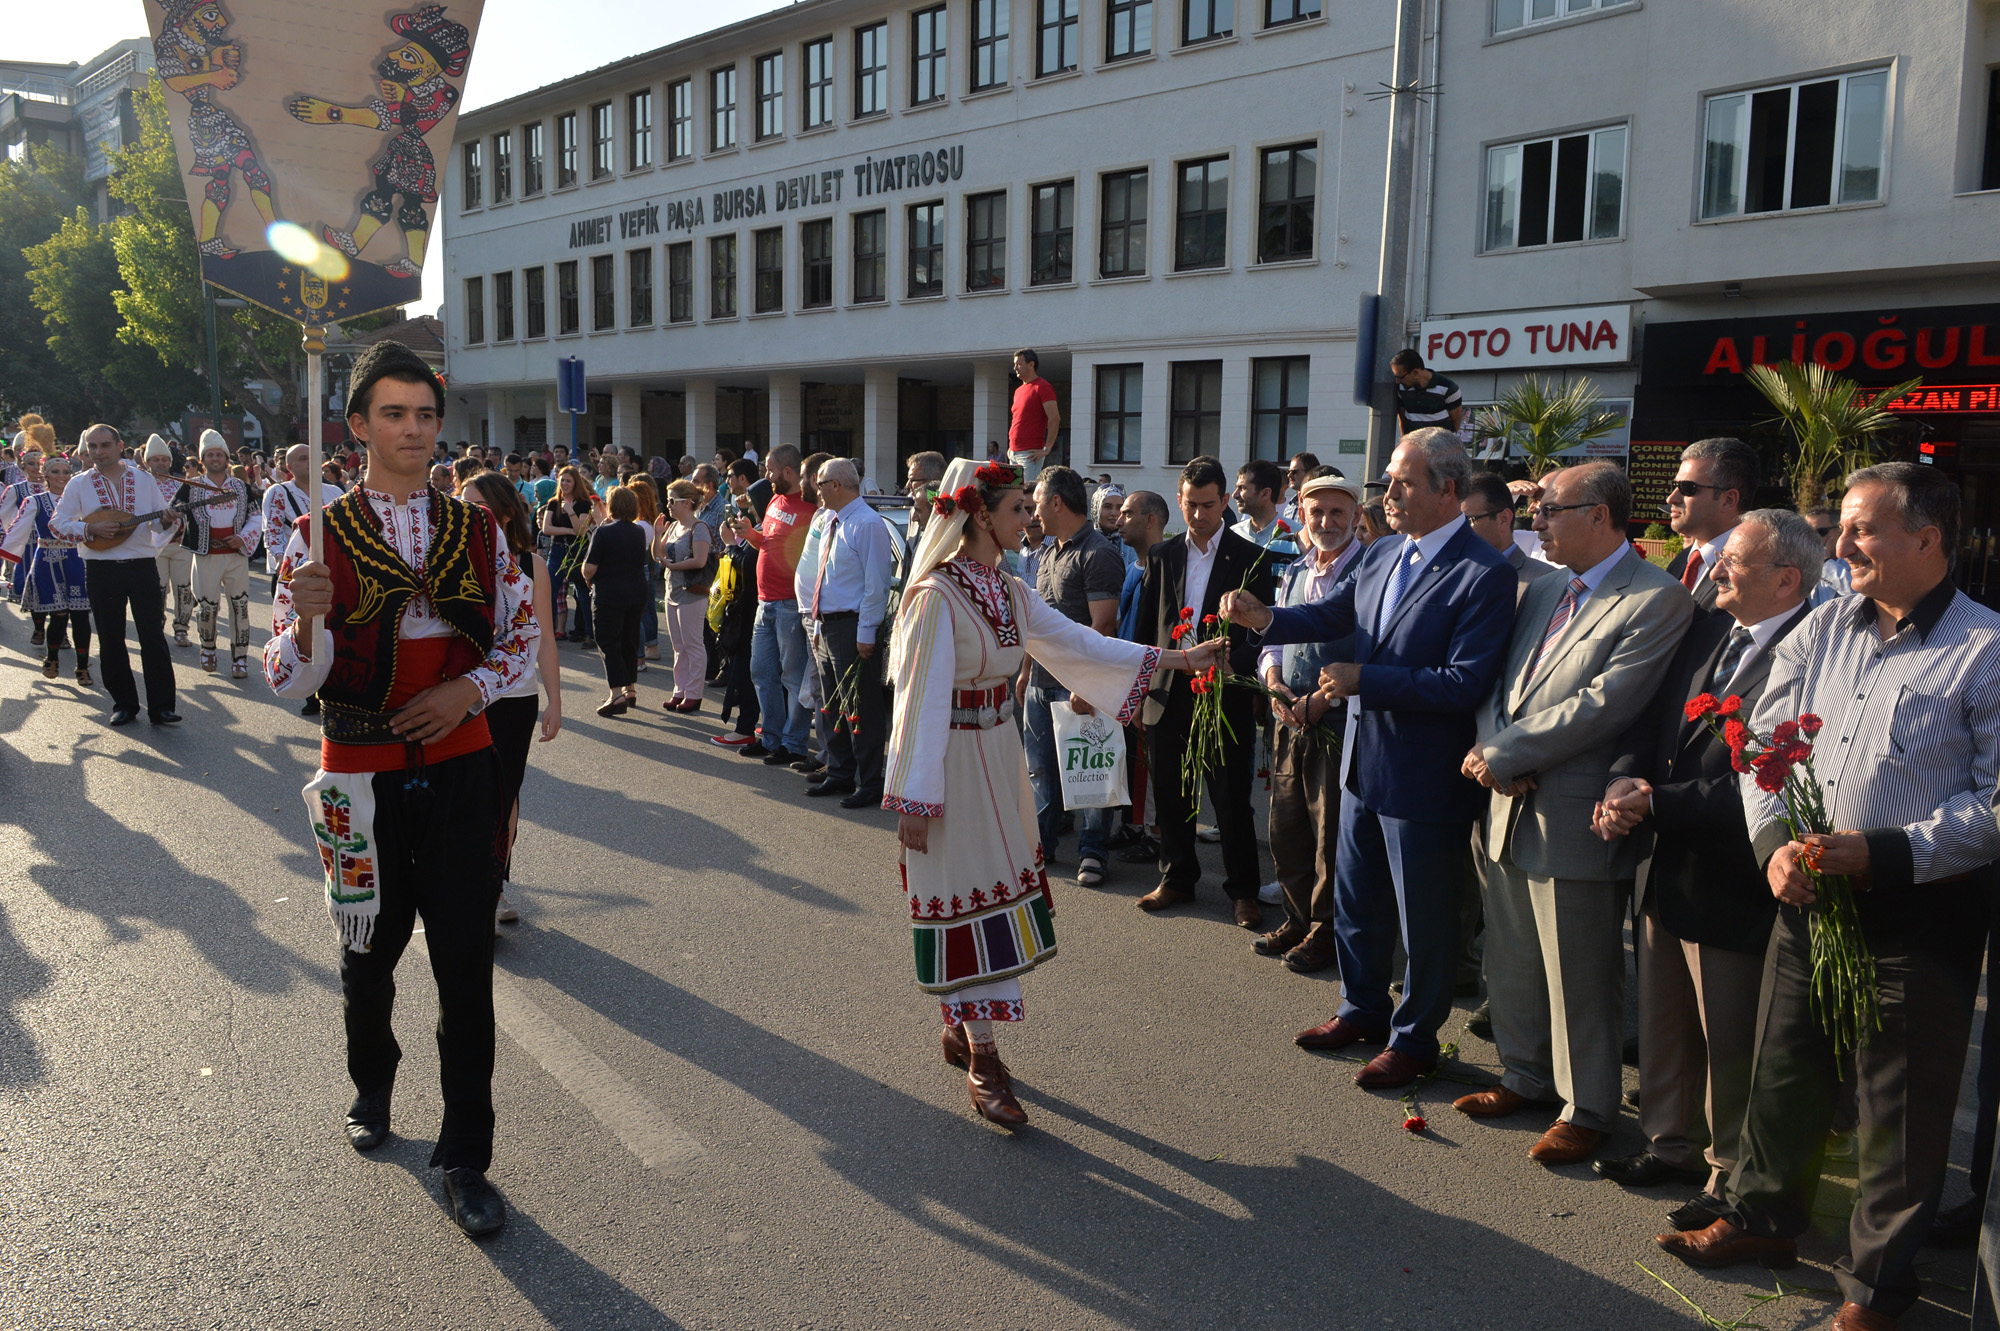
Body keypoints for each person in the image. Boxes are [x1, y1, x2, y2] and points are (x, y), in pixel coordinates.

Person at [1655, 464, 2000, 1331]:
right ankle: (1764, 1217)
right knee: (1786, 1066)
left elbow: (1996, 804)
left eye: (1861, 529)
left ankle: (1875, 1285)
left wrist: (1885, 853)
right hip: (1807, 890)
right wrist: (1773, 845)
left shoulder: (1985, 647)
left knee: (1898, 1105)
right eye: (1843, 527)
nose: (1840, 544)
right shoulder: (1823, 626)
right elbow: (1762, 742)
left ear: (1928, 538)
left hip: (1919, 910)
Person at [263, 339, 536, 1238]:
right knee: (366, 958)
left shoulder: (481, 530)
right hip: (356, 776)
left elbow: (521, 640)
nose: (414, 429)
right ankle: (372, 1080)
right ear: (358, 425)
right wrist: (307, 626)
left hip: (461, 766)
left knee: (465, 965)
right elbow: (286, 679)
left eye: (425, 414)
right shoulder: (314, 536)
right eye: (394, 413)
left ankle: (465, 1155)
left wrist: (469, 690)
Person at [885, 457, 1224, 1126]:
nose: (1030, 517)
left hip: (998, 756)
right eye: (1017, 508)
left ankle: (959, 1026)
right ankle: (985, 1057)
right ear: (980, 516)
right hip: (951, 767)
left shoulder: (1010, 590)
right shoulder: (935, 596)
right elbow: (917, 701)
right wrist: (915, 800)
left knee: (992, 893)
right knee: (965, 897)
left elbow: (1079, 643)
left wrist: (1176, 658)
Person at [1219, 429, 1516, 1088]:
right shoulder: (1383, 553)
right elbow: (1332, 615)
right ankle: (1361, 1010)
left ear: (1448, 488)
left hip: (1425, 777)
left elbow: (1463, 683)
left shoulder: (1484, 573)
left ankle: (1415, 1039)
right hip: (1362, 763)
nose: (1388, 494)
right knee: (1356, 901)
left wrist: (1365, 681)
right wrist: (1265, 618)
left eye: (1402, 483)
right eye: (1387, 480)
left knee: (1424, 920)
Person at [1458, 462, 1696, 1164]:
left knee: (1580, 972)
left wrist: (1505, 752)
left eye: (1549, 509)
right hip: (1507, 797)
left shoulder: (1656, 597)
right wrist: (1494, 748)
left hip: (1574, 808)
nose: (1535, 521)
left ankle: (1587, 1105)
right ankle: (1525, 1074)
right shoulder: (1543, 586)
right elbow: (1500, 681)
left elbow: (1608, 703)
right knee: (1513, 955)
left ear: (1598, 514)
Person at [1590, 509, 1815, 1218]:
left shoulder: (1811, 653)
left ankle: (1726, 1175)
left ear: (1786, 579)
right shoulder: (1711, 627)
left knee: (1729, 1037)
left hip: (1733, 878)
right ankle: (1669, 1144)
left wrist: (1653, 802)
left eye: (1734, 561)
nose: (1715, 567)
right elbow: (1652, 718)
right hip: (1664, 860)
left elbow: (1772, 779)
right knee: (1664, 1018)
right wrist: (1622, 783)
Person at [1134, 456, 1280, 928]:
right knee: (1172, 793)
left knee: (1231, 797)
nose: (1198, 515)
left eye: (1208, 505)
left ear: (1225, 502)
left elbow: (1263, 632)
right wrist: (1138, 689)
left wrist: (1236, 666)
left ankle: (1243, 890)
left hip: (1223, 693)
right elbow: (1145, 628)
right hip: (1168, 690)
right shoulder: (1162, 555)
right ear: (1178, 501)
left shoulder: (1251, 557)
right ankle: (1176, 877)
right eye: (1190, 505)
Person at [1252, 470, 1365, 972]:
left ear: (1356, 516)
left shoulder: (1367, 570)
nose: (1326, 521)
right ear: (1301, 514)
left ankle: (1326, 931)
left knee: (1328, 833)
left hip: (1335, 721)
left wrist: (1322, 700)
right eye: (1316, 511)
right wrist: (1273, 681)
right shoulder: (1295, 568)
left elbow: (1371, 649)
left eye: (1337, 511)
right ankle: (1297, 919)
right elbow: (1273, 639)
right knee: (1286, 826)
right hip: (1288, 717)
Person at [1017, 466, 1126, 887]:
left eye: (1037, 504)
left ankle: (1093, 852)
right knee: (1041, 770)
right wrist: (1026, 671)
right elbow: (1039, 624)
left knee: (1091, 773)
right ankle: (1040, 845)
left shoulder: (1099, 553)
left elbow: (1104, 627)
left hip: (1079, 685)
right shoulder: (1048, 552)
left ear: (1057, 502)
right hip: (1041, 683)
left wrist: (1086, 684)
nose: (1032, 514)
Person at [462, 472, 562, 931]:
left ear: (504, 512)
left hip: (515, 697)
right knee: (466, 795)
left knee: (505, 795)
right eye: (463, 504)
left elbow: (544, 638)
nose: (468, 513)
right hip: (462, 697)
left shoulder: (531, 564)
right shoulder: (449, 558)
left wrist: (554, 701)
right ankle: (465, 883)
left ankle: (495, 886)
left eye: (479, 505)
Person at [53, 424, 180, 726]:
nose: (98, 452)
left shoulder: (144, 479)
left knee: (152, 636)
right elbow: (57, 524)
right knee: (111, 637)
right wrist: (90, 528)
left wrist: (167, 519)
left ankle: (161, 707)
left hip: (141, 565)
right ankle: (124, 704)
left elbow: (158, 522)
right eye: (93, 446)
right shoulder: (79, 483)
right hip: (101, 568)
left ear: (119, 446)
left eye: (105, 445)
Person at [798, 457, 894, 807]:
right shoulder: (830, 519)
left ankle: (869, 781)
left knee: (861, 707)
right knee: (832, 705)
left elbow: (876, 585)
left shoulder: (867, 523)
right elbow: (825, 576)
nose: (817, 490)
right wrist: (816, 621)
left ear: (836, 485)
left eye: (820, 483)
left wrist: (866, 631)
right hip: (827, 624)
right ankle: (839, 772)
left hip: (852, 626)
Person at [738, 444, 818, 768]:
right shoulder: (774, 500)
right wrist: (750, 534)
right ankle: (771, 738)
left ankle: (794, 744)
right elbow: (769, 542)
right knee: (761, 671)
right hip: (765, 601)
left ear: (788, 471)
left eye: (770, 470)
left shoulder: (810, 508)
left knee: (792, 677)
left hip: (789, 604)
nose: (766, 476)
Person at [1112, 490, 1171, 866]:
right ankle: (1135, 826)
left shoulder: (1168, 566)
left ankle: (1155, 834)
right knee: (1132, 758)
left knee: (1150, 762)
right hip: (1126, 676)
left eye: (1127, 513)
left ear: (1150, 520)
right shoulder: (1133, 566)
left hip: (1151, 681)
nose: (1119, 521)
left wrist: (1147, 684)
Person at [1, 452, 92, 684]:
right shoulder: (35, 501)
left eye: (66, 472)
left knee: (81, 615)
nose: (62, 476)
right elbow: (18, 527)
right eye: (55, 472)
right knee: (58, 615)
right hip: (47, 560)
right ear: (46, 475)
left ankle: (82, 667)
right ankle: (52, 658)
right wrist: (8, 551)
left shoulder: (81, 500)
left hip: (76, 560)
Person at [177, 430, 262, 679]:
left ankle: (240, 658)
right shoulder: (191, 486)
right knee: (207, 606)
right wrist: (170, 516)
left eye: (219, 454)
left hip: (235, 554)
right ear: (203, 460)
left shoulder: (241, 487)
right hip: (206, 555)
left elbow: (256, 516)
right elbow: (173, 511)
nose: (215, 458)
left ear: (226, 458)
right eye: (210, 455)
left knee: (240, 606)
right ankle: (208, 649)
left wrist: (243, 537)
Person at [1665, 437, 1759, 612]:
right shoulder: (1683, 560)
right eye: (1674, 486)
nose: (1672, 498)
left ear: (1728, 499)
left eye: (1687, 488)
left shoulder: (1752, 572)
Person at [582, 485, 651, 717]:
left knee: (608, 642)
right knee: (629, 640)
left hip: (609, 593)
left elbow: (589, 568)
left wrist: (586, 576)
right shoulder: (638, 531)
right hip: (636, 592)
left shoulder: (604, 531)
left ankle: (616, 694)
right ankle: (629, 688)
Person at [653, 478, 715, 712]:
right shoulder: (672, 526)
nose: (668, 505)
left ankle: (694, 694)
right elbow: (657, 556)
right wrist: (657, 534)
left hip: (692, 593)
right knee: (679, 645)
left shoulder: (699, 528)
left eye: (672, 501)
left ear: (687, 503)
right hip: (673, 591)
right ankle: (679, 690)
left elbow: (699, 560)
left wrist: (673, 566)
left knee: (693, 644)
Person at [138, 436, 196, 643]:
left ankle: (182, 629)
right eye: (156, 460)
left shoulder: (182, 484)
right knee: (158, 589)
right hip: (153, 546)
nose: (160, 463)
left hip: (181, 544)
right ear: (147, 462)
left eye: (164, 459)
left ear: (170, 462)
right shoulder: (140, 485)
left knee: (184, 588)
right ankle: (158, 628)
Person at [541, 466, 601, 642]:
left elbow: (581, 531)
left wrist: (571, 511)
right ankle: (549, 632)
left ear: (576, 483)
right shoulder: (553, 503)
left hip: (576, 552)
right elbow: (546, 528)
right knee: (550, 590)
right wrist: (568, 530)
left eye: (568, 481)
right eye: (562, 480)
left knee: (582, 594)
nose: (564, 484)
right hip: (557, 549)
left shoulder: (584, 503)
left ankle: (591, 634)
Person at [1232, 459, 1301, 565]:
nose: (1235, 495)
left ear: (1265, 493)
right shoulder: (1233, 535)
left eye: (1242, 488)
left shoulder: (1297, 536)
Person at [1008, 349, 1061, 480]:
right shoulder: (1018, 391)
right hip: (1013, 453)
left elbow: (1054, 418)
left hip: (1030, 454)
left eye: (1019, 364)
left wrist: (1047, 449)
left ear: (1031, 364)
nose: (1015, 368)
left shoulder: (1042, 387)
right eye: (1014, 364)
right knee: (1015, 491)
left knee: (1028, 491)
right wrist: (1010, 448)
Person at [1390, 349, 1464, 436]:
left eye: (1400, 377)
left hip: (1440, 442)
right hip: (1413, 441)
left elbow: (1456, 422)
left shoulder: (1448, 388)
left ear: (1415, 372)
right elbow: (1402, 419)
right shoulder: (1401, 388)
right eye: (1396, 377)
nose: (1398, 381)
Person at [1804, 503, 1855, 607]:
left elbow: (1858, 594)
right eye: (1808, 533)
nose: (1814, 538)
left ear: (1839, 530)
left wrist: (1825, 563)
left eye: (1821, 532)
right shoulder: (1802, 565)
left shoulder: (1855, 560)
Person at [1281, 452, 1322, 529]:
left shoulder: (1318, 504)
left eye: (1294, 472)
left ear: (1310, 473)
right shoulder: (1290, 505)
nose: (1289, 475)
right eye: (1288, 471)